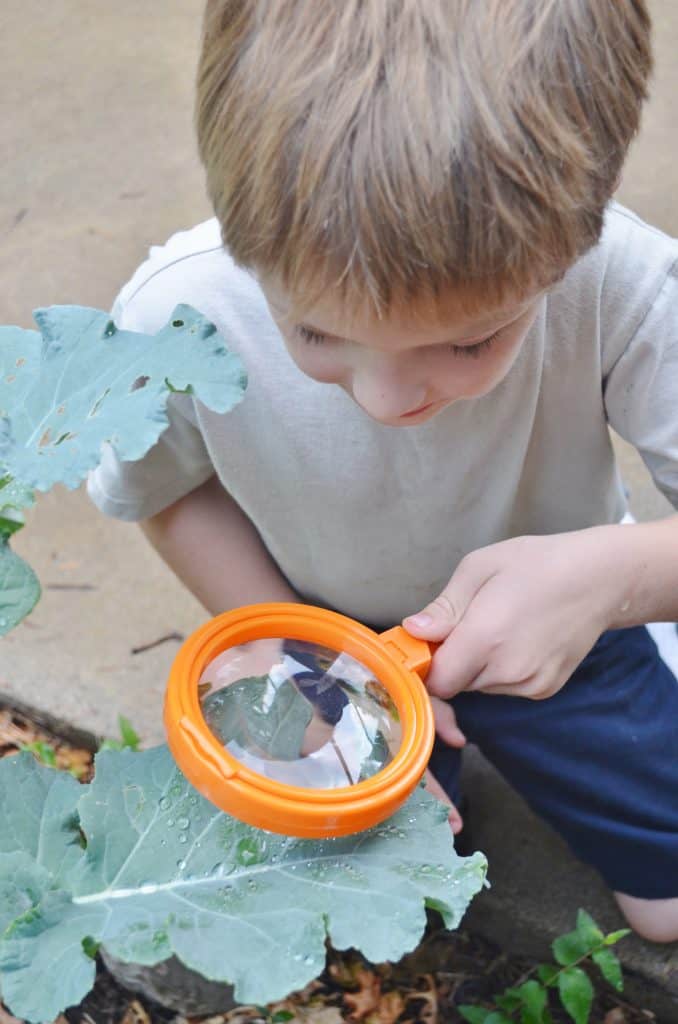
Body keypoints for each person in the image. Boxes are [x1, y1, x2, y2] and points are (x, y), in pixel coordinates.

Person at [87, 0, 678, 942]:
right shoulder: (181, 314)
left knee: (664, 908)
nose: (385, 398)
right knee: (378, 888)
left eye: (469, 342)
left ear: (575, 239)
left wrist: (615, 581)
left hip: (566, 611)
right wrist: (288, 652)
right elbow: (167, 489)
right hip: (320, 628)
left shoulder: (623, 286)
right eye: (316, 332)